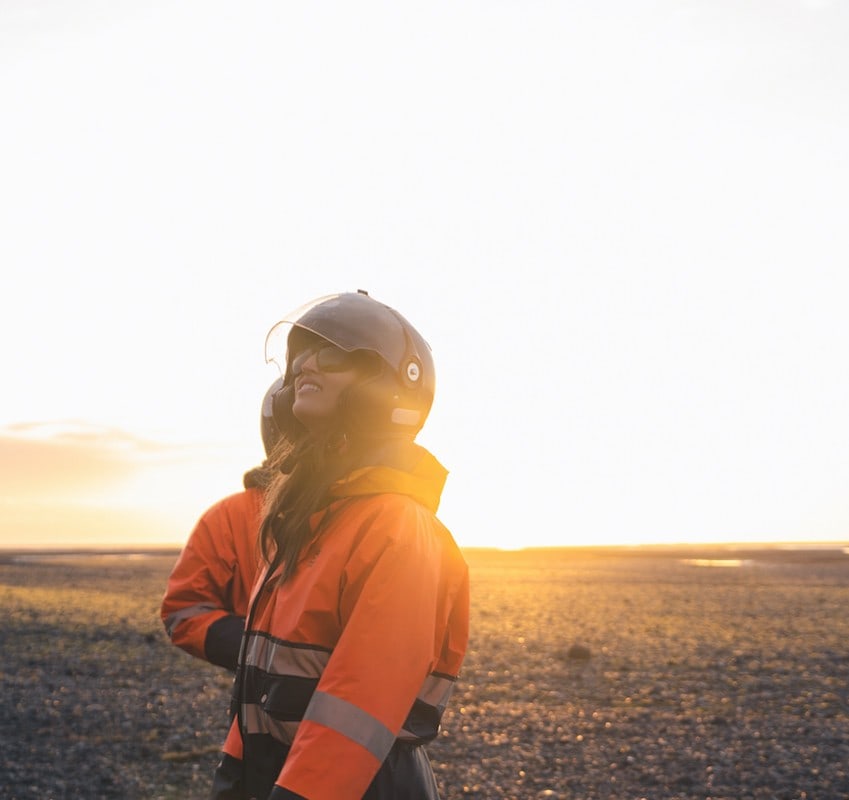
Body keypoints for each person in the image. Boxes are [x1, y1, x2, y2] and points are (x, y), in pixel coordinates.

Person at [210, 291, 470, 800]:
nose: (305, 363)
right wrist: (234, 776)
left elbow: (358, 710)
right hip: (278, 774)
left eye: (331, 354)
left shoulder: (397, 528)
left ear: (386, 387)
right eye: (302, 353)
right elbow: (263, 689)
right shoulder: (306, 526)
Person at [160, 377, 285, 672]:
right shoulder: (230, 517)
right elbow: (184, 610)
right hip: (262, 701)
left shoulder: (382, 516)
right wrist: (260, 651)